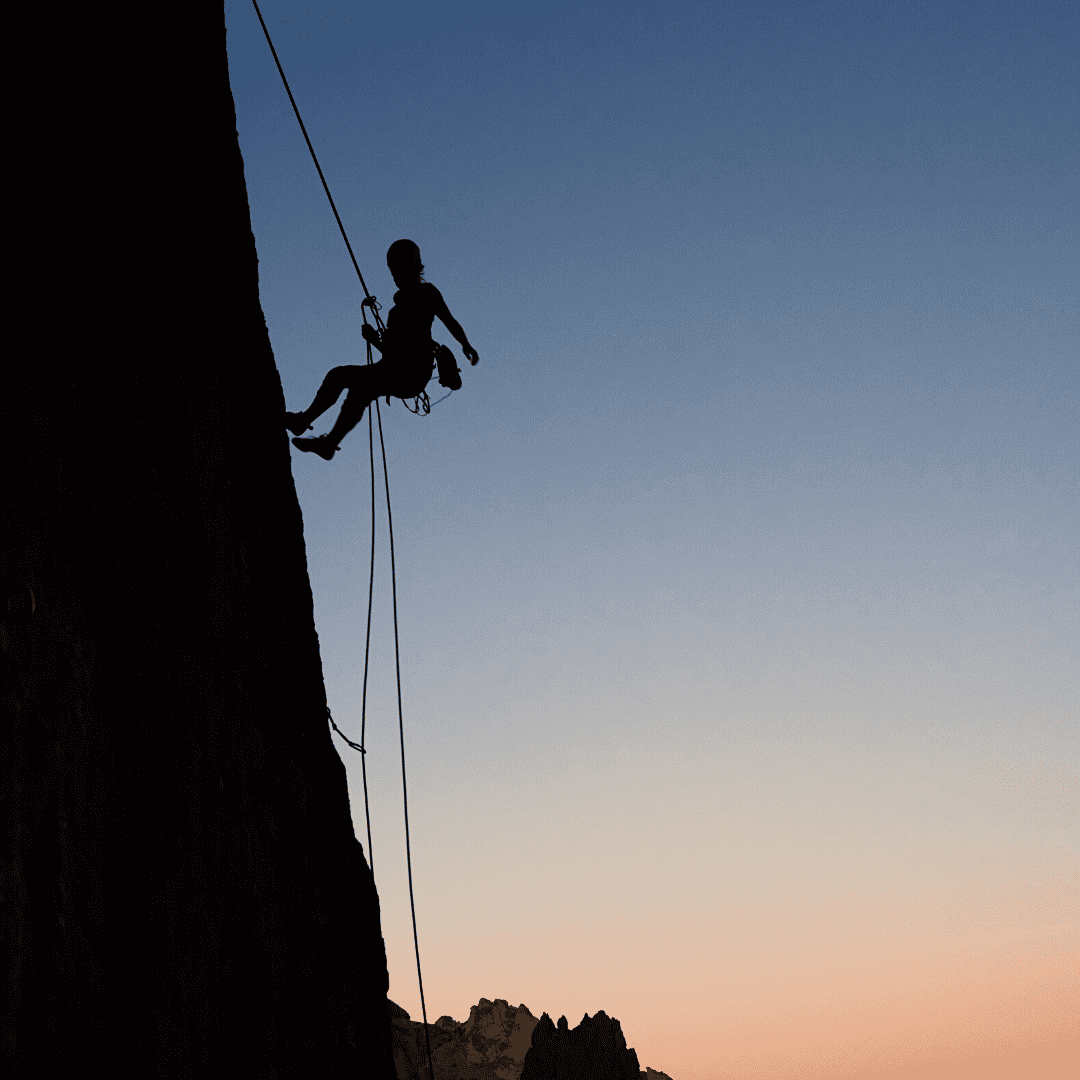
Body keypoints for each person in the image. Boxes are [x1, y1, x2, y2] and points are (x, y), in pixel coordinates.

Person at [286, 239, 479, 460]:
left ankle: (308, 425)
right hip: (400, 372)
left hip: (409, 373)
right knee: (357, 390)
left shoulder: (426, 293)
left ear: (411, 268)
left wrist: (466, 344)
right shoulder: (396, 311)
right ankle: (325, 440)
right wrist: (374, 340)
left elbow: (448, 321)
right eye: (392, 271)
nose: (395, 276)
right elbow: (393, 353)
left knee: (341, 377)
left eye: (397, 270)